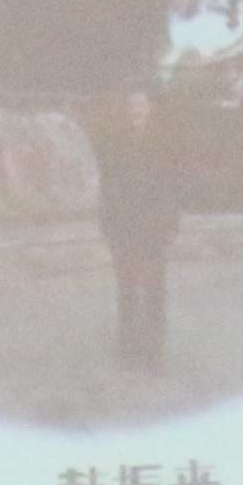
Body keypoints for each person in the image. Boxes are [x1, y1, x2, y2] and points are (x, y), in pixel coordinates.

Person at [89, 85, 181, 364]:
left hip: (153, 227)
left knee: (154, 290)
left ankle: (155, 351)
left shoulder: (163, 142)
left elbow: (171, 185)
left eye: (141, 105)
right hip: (124, 226)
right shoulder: (116, 142)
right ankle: (128, 349)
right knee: (127, 290)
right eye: (132, 106)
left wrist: (170, 223)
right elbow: (109, 183)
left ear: (149, 108)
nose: (136, 111)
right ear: (126, 110)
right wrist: (108, 223)